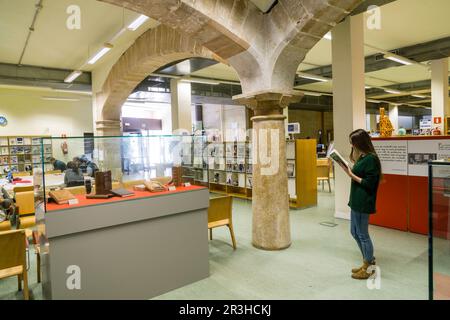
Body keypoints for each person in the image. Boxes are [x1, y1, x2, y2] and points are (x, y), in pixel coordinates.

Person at [340, 129, 382, 280]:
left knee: (363, 234)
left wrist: (351, 175)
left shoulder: (371, 159)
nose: (351, 144)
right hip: (356, 200)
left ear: (360, 142)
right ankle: (367, 261)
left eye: (353, 141)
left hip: (364, 201)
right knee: (354, 232)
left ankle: (369, 266)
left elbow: (370, 183)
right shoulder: (363, 157)